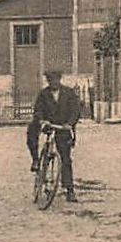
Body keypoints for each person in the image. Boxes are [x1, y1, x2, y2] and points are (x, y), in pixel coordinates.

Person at [28, 69, 82, 202]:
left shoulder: (69, 93)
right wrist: (42, 120)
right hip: (47, 124)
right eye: (51, 81)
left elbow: (75, 111)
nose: (54, 83)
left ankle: (69, 190)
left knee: (65, 158)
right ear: (48, 81)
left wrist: (70, 123)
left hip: (63, 127)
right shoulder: (43, 94)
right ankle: (35, 159)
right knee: (31, 132)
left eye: (56, 80)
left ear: (60, 80)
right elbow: (38, 109)